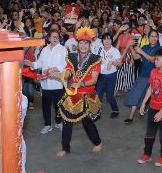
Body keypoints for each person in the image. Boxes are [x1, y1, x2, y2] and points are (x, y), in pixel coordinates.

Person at [57, 26, 103, 157]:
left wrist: (82, 83)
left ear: (90, 45)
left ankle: (98, 142)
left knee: (87, 122)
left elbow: (94, 80)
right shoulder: (71, 57)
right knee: (67, 121)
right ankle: (65, 147)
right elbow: (67, 74)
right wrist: (59, 74)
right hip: (73, 95)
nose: (83, 45)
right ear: (77, 44)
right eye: (81, 42)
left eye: (86, 43)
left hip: (87, 95)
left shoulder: (95, 59)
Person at [138, 48, 162, 167]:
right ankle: (147, 154)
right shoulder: (153, 72)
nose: (155, 61)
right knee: (150, 133)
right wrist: (144, 103)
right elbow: (150, 88)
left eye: (157, 59)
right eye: (155, 59)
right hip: (152, 107)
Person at [26, 30, 67, 134]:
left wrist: (54, 68)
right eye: (53, 37)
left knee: (58, 105)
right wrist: (32, 64)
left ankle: (59, 122)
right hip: (45, 84)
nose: (55, 39)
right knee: (45, 106)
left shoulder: (63, 50)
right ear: (49, 38)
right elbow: (40, 63)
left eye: (57, 37)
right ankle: (47, 125)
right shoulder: (44, 50)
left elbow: (65, 65)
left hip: (57, 83)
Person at [124, 29, 160, 124]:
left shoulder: (159, 48)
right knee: (136, 94)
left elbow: (153, 60)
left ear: (158, 38)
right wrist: (131, 47)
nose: (153, 38)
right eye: (152, 36)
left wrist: (141, 52)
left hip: (155, 77)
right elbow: (136, 57)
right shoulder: (145, 46)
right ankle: (130, 116)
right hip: (143, 74)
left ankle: (154, 118)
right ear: (148, 38)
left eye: (155, 36)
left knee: (153, 98)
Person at [96, 33, 123, 118]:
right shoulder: (99, 49)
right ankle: (97, 112)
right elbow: (94, 61)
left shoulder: (115, 51)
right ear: (102, 41)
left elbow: (119, 64)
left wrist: (112, 62)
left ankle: (115, 110)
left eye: (109, 39)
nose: (107, 41)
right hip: (100, 76)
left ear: (112, 41)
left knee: (109, 95)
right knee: (98, 94)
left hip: (111, 75)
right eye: (105, 39)